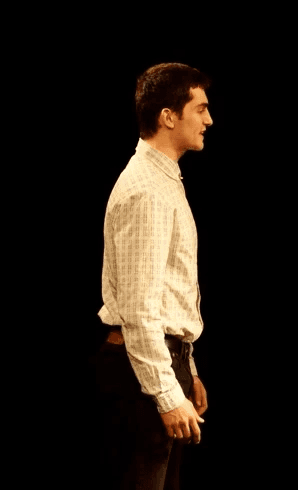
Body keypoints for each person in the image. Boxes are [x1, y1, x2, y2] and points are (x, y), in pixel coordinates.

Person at [94, 62, 214, 490]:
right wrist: (165, 392)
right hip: (139, 373)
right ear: (168, 116)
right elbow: (140, 309)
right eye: (200, 108)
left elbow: (167, 291)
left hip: (159, 362)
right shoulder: (146, 188)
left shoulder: (163, 181)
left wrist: (187, 367)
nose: (209, 120)